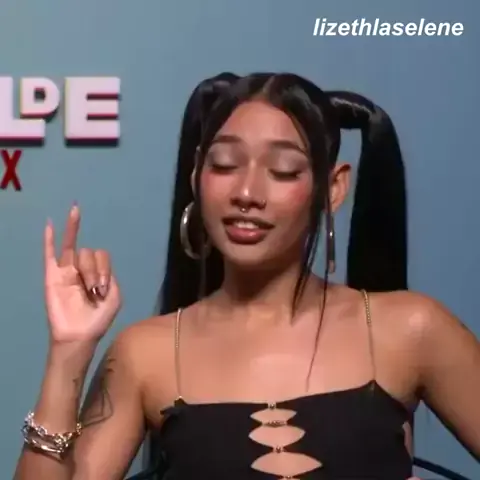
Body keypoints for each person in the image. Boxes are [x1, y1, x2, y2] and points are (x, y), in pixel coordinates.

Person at [13, 72, 479, 480]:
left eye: (283, 170)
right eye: (224, 165)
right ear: (197, 174)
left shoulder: (412, 329)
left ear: (333, 188)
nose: (247, 192)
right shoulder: (145, 354)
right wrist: (69, 352)